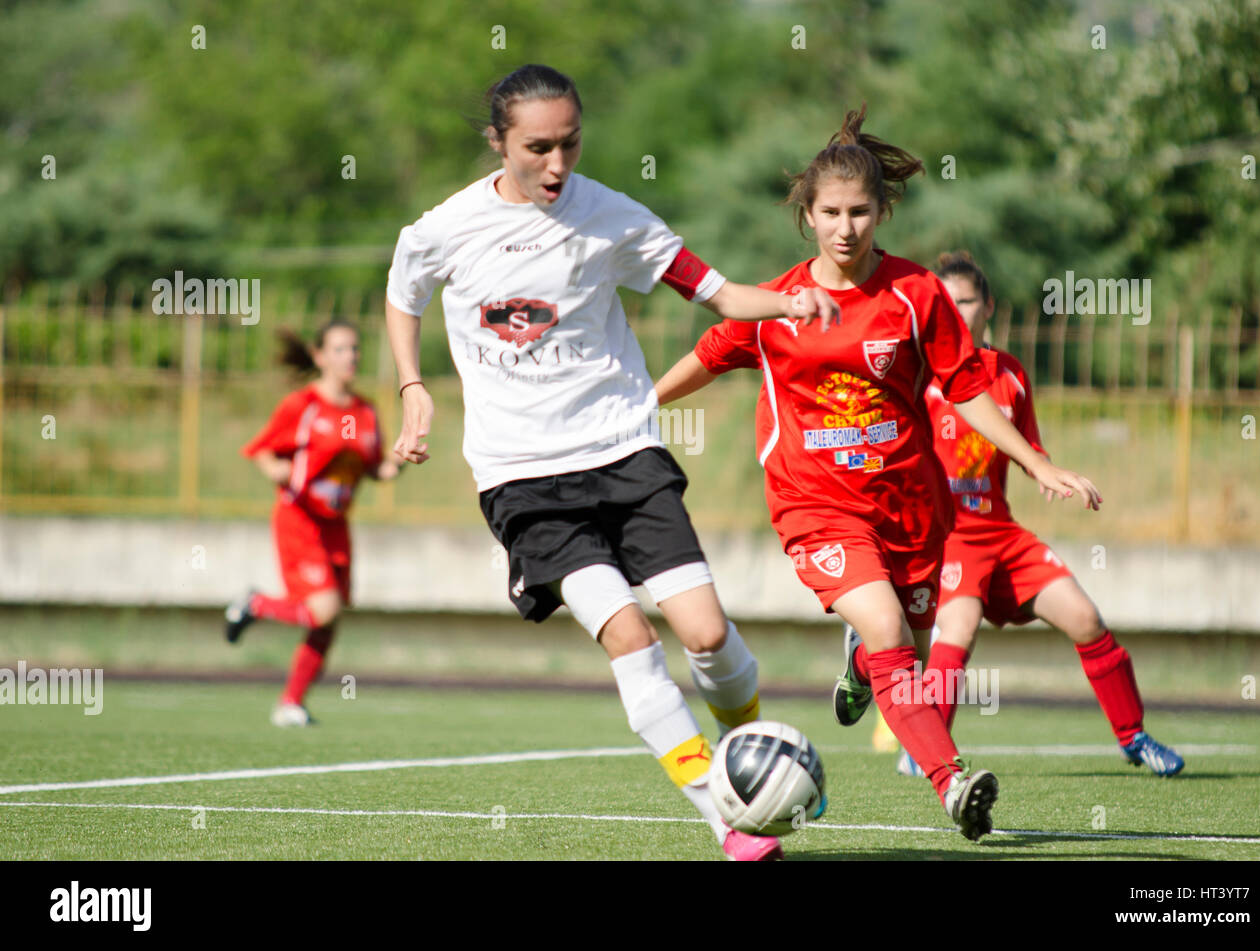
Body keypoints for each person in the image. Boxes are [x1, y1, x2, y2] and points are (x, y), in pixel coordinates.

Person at [383, 64, 840, 861]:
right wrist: (413, 387)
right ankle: (721, 814)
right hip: (523, 478)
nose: (557, 165)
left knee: (704, 632)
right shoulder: (447, 226)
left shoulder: (613, 218)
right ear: (498, 143)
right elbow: (404, 291)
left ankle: (756, 759)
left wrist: (789, 300)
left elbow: (720, 292)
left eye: (570, 143)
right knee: (630, 636)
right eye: (537, 148)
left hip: (624, 453)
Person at [655, 104, 1102, 841]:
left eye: (860, 212)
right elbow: (708, 354)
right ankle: (953, 783)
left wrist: (1037, 461)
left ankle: (864, 666)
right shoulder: (779, 303)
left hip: (910, 505)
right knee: (890, 627)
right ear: (808, 214)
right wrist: (638, 408)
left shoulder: (917, 294)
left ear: (882, 210)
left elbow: (965, 389)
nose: (845, 228)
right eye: (830, 212)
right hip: (816, 506)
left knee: (909, 655)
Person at [904, 250, 1182, 776]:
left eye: (964, 301)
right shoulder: (923, 375)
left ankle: (1134, 736)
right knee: (957, 632)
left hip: (1003, 535)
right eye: (944, 303)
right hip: (951, 536)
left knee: (1085, 618)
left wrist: (1054, 472)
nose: (955, 312)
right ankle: (928, 750)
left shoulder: (1010, 374)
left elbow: (1029, 450)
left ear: (988, 305)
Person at [224, 319, 403, 727]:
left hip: (336, 525)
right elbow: (262, 450)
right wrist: (275, 468)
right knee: (323, 610)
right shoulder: (302, 405)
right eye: (339, 349)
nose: (350, 357)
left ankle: (291, 703)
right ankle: (255, 604)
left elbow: (376, 468)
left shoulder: (364, 412)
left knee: (332, 618)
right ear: (320, 357)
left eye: (354, 349)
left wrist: (402, 460)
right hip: (299, 518)